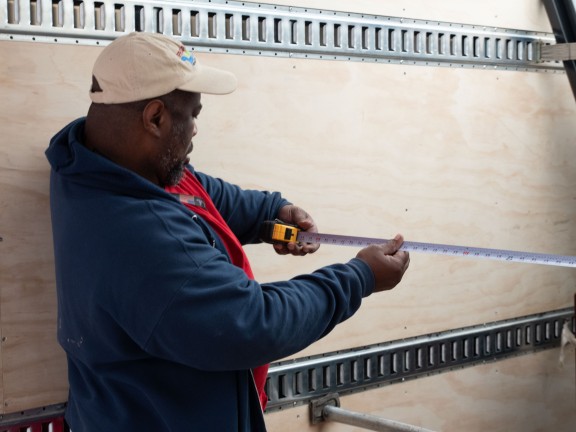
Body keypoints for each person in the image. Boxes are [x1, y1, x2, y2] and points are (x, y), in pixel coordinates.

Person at [46, 32, 410, 432]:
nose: (196, 130)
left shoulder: (93, 164)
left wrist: (270, 212)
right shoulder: (138, 235)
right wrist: (359, 277)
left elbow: (201, 194)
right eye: (193, 115)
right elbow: (255, 323)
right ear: (154, 118)